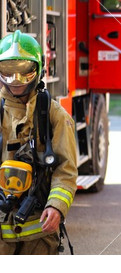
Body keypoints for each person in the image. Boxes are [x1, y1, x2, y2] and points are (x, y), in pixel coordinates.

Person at [0, 30, 77, 254]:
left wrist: (57, 206)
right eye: (8, 72)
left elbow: (66, 169)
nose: (15, 81)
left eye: (24, 72)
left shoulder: (54, 115)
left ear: (38, 70)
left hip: (39, 235)